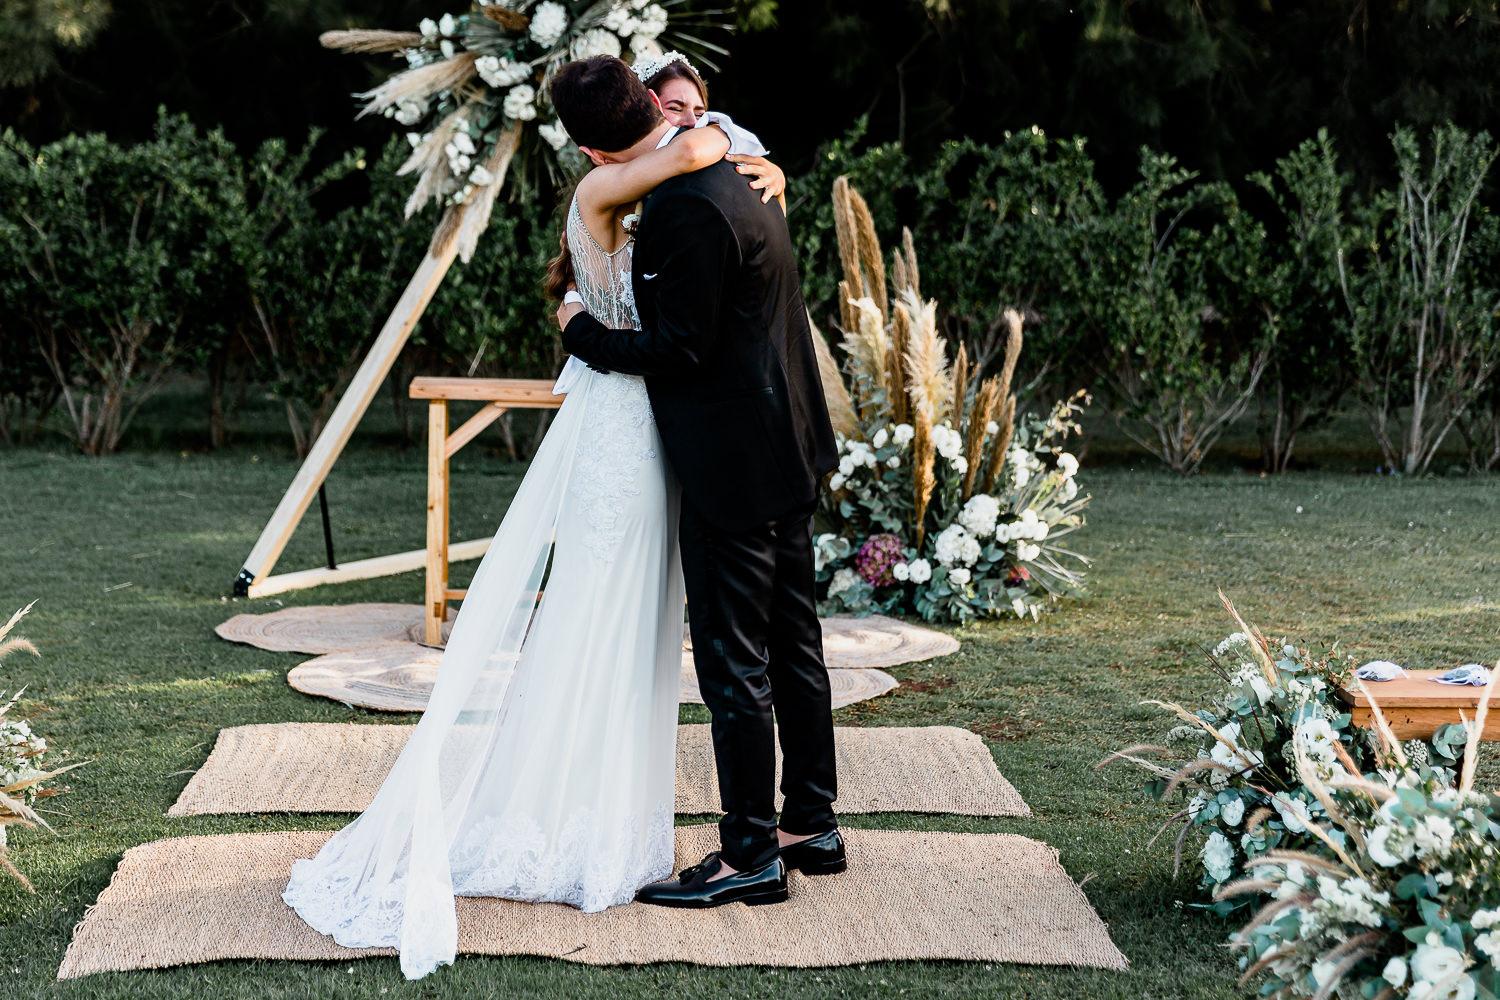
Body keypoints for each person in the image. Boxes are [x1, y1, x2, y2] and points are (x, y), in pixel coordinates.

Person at [281, 60, 790, 982]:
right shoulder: (625, 180)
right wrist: (719, 140)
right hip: (626, 431)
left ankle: (626, 822)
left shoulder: (666, 166)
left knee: (636, 627)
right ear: (641, 117)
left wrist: (728, 143)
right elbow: (693, 150)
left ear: (591, 135)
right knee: (596, 618)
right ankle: (577, 823)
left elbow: (697, 149)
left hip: (655, 426)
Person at [553, 55, 844, 910]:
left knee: (735, 663)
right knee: (794, 645)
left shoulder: (682, 211)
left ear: (593, 152)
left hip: (733, 466)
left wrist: (581, 331)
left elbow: (677, 348)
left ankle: (751, 852)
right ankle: (811, 825)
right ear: (650, 103)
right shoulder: (738, 167)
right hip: (788, 442)